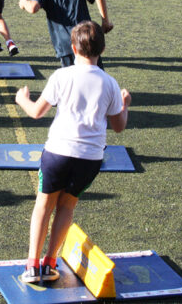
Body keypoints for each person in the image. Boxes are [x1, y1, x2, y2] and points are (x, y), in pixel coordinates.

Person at [14, 20, 131, 284]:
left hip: (58, 152)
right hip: (89, 159)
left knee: (44, 204)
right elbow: (119, 126)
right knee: (67, 206)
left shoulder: (62, 75)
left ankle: (32, 265)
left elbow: (35, 112)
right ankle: (49, 263)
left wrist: (22, 99)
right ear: (102, 49)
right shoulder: (110, 83)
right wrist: (125, 104)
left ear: (73, 48)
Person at [19, 0, 112, 69]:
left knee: (72, 81)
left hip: (66, 45)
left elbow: (33, 8)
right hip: (87, 39)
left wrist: (24, 2)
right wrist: (105, 21)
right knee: (96, 77)